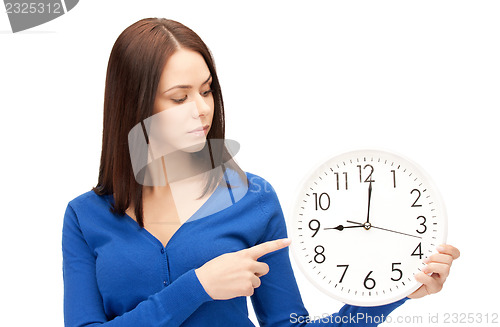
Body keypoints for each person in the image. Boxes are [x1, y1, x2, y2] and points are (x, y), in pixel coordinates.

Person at [62, 18, 460, 327]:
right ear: (134, 105)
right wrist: (198, 287)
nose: (201, 109)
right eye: (179, 97)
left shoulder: (253, 199)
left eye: (206, 90)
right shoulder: (84, 217)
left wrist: (394, 292)